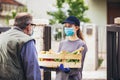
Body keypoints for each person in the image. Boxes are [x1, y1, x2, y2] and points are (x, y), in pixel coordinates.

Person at [0, 12, 41, 80]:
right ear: (28, 26)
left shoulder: (2, 37)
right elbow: (32, 71)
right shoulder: (26, 41)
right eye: (33, 25)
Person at [55, 16, 88, 80]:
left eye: (69, 26)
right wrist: (48, 67)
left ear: (76, 27)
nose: (67, 28)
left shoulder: (81, 45)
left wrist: (68, 70)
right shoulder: (62, 43)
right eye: (66, 26)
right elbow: (58, 62)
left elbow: (79, 67)